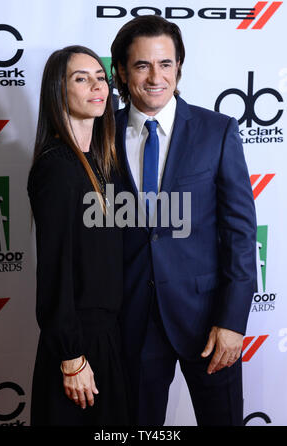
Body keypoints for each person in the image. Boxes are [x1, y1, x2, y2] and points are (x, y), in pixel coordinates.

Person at [111, 15, 257, 426]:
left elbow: (241, 234)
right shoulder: (102, 133)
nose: (156, 77)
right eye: (142, 65)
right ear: (122, 71)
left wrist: (232, 321)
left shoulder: (218, 131)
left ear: (179, 67)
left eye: (166, 64)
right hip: (134, 321)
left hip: (209, 321)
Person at [27, 45, 129, 426]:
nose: (96, 86)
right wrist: (71, 357)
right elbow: (55, 269)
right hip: (79, 346)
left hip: (109, 339)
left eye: (100, 77)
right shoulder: (57, 167)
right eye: (81, 79)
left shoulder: (105, 165)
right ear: (58, 90)